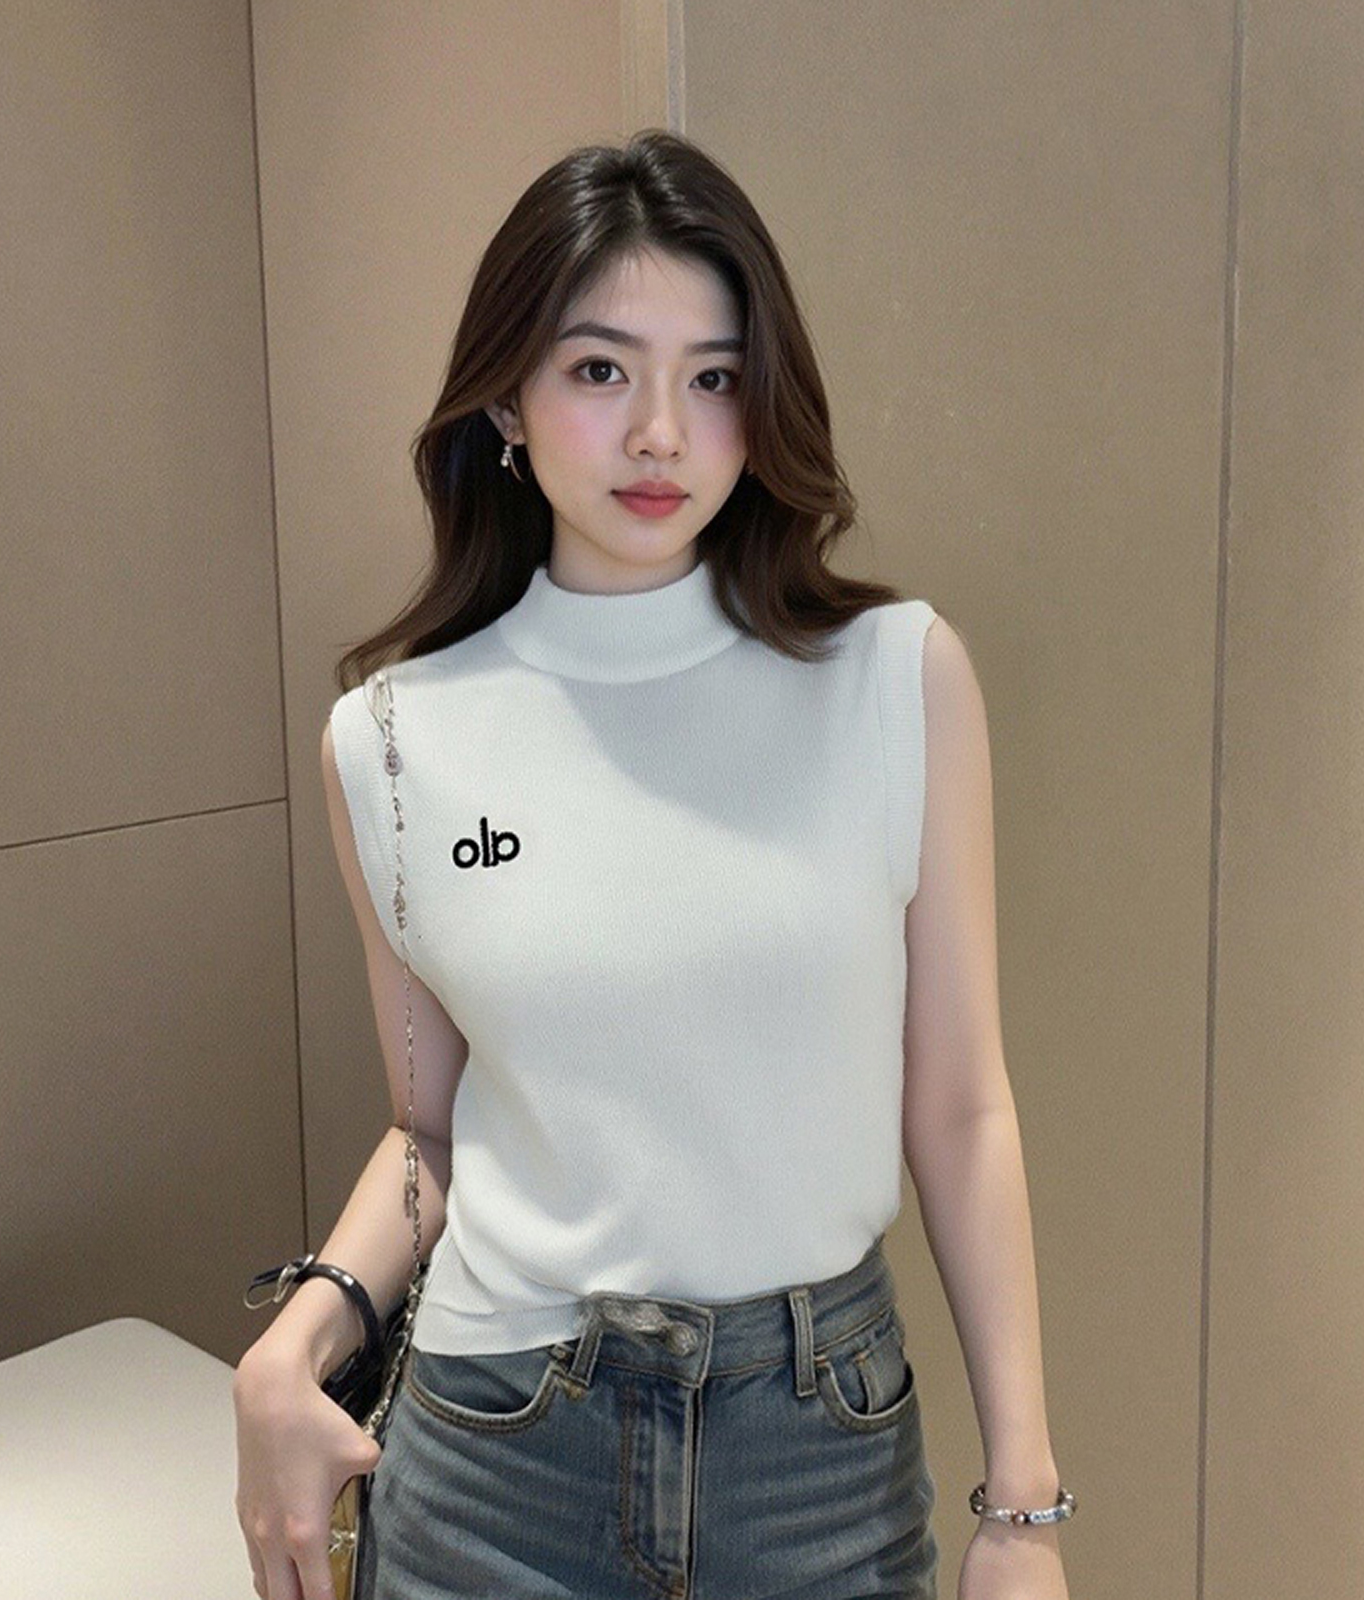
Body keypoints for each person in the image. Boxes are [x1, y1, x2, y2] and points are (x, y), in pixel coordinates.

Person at [233, 128, 1070, 1600]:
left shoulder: (895, 680)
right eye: (601, 370)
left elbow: (959, 1108)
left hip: (814, 1458)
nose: (662, 435)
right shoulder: (392, 741)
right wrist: (301, 1333)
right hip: (495, 1458)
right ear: (506, 395)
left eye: (715, 377)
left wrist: (1024, 1507)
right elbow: (431, 1132)